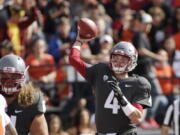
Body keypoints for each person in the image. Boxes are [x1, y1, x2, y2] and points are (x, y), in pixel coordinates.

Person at [68, 30, 152, 134]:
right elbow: (73, 59)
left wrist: (122, 99)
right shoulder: (101, 71)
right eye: (115, 58)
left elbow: (137, 119)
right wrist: (79, 42)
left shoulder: (139, 83)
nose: (118, 62)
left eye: (123, 59)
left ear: (132, 61)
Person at [0, 54, 48, 135]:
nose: (9, 81)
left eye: (15, 76)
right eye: (4, 76)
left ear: (23, 76)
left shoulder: (31, 99)